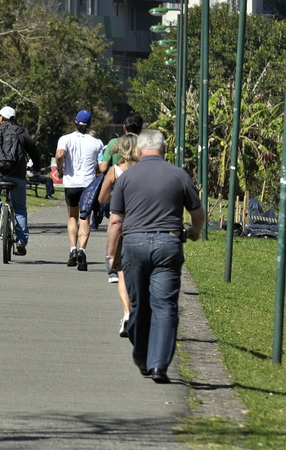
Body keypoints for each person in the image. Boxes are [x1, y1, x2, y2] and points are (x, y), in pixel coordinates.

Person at [107, 129, 205, 384]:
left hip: (134, 243)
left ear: (140, 150)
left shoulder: (127, 177)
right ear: (164, 149)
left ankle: (141, 355)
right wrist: (195, 231)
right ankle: (159, 365)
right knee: (165, 305)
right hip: (168, 243)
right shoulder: (178, 175)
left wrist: (110, 253)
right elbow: (197, 212)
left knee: (139, 304)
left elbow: (116, 220)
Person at [0, 105, 41, 256]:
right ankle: (21, 242)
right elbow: (35, 152)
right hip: (18, 176)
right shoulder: (21, 133)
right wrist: (36, 168)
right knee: (19, 209)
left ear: (2, 118)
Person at [97, 133, 139, 337]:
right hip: (143, 224)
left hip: (122, 225)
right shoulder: (144, 170)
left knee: (122, 273)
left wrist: (118, 193)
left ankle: (127, 313)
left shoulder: (115, 171)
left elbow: (102, 198)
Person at [55, 110, 104, 271]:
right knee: (85, 219)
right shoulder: (97, 143)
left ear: (75, 122)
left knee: (72, 217)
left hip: (71, 184)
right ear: (89, 125)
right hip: (88, 185)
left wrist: (60, 167)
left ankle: (72, 250)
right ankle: (82, 250)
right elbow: (101, 165)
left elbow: (60, 154)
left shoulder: (65, 139)